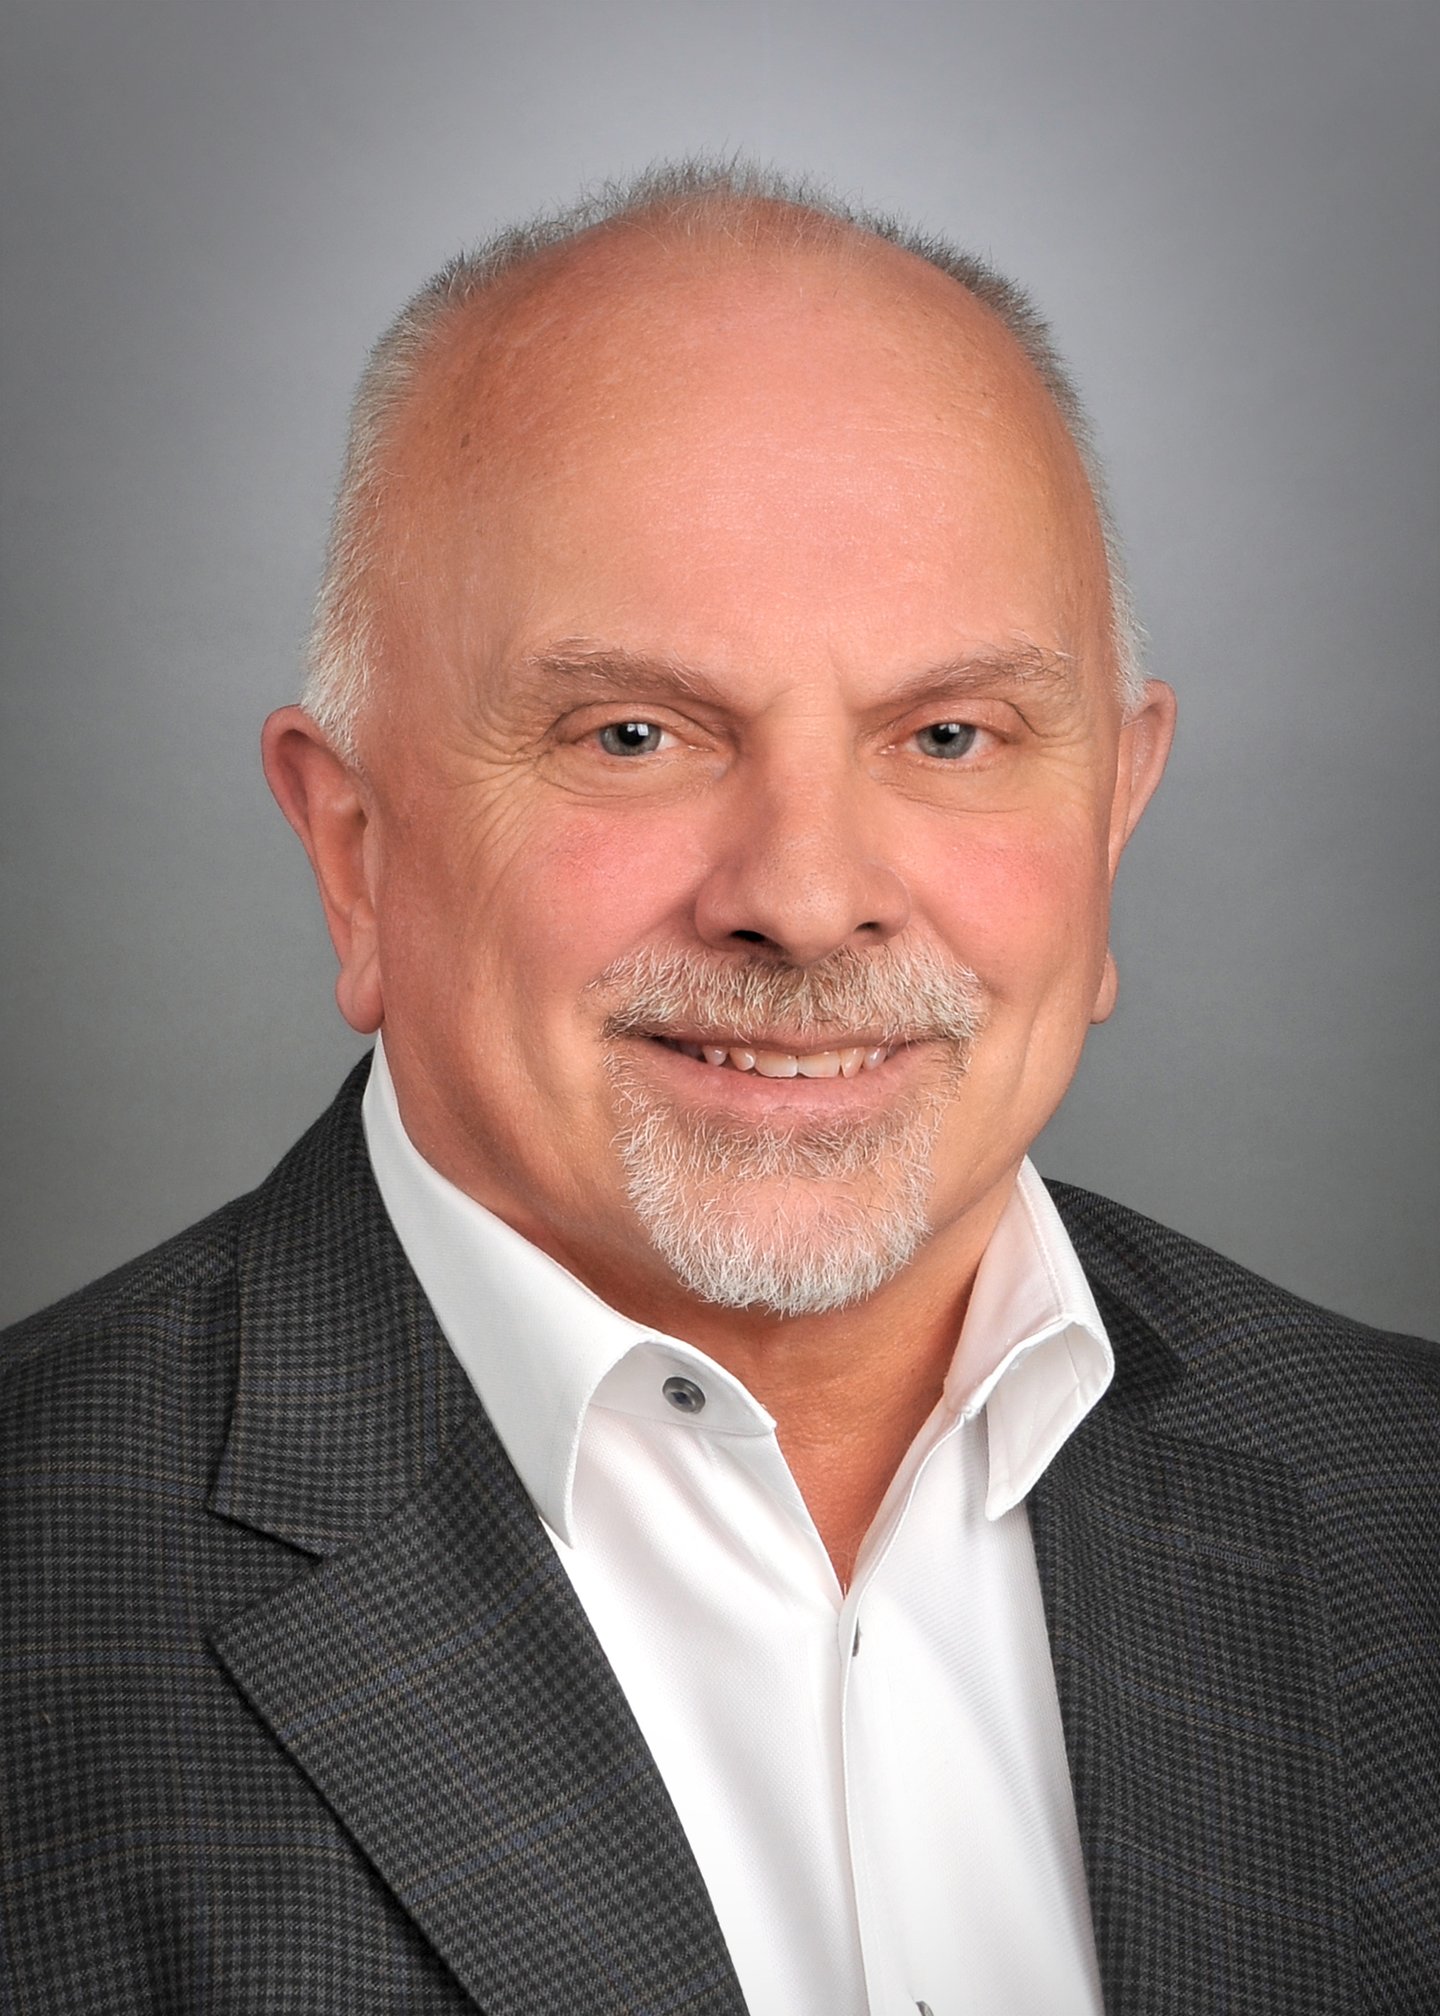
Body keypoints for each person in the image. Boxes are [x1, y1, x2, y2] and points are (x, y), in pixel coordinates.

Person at [2, 162, 1435, 2016]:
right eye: (632, 735)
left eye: (948, 735)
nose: (803, 893)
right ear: (354, 852)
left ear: (1110, 819)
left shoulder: (1400, 1501)